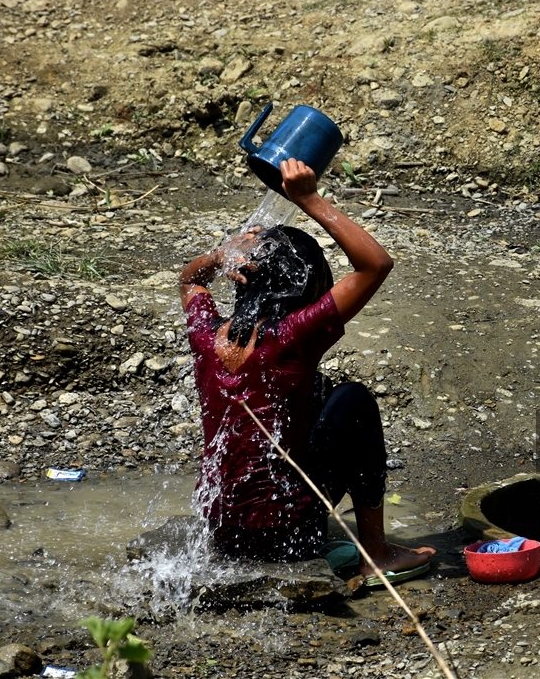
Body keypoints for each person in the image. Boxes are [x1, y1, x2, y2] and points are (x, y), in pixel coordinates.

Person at [179, 157, 434, 583]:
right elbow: (376, 264)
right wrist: (309, 199)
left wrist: (220, 255)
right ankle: (377, 553)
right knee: (354, 400)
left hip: (222, 533)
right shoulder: (290, 338)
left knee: (316, 390)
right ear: (302, 288)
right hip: (289, 534)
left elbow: (189, 282)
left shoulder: (207, 336)